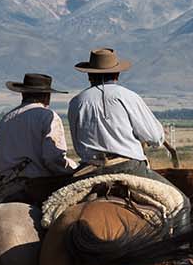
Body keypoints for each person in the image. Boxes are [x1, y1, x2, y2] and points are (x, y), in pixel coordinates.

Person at [67, 48, 172, 185]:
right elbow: (154, 138)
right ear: (117, 74)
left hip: (89, 170)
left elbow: (76, 141)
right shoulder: (129, 97)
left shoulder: (77, 101)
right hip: (129, 167)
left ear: (89, 76)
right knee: (183, 203)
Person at [0, 72, 78, 205]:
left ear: (23, 94)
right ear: (46, 96)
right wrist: (73, 169)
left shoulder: (6, 118)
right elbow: (53, 159)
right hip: (38, 186)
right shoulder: (47, 116)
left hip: (5, 185)